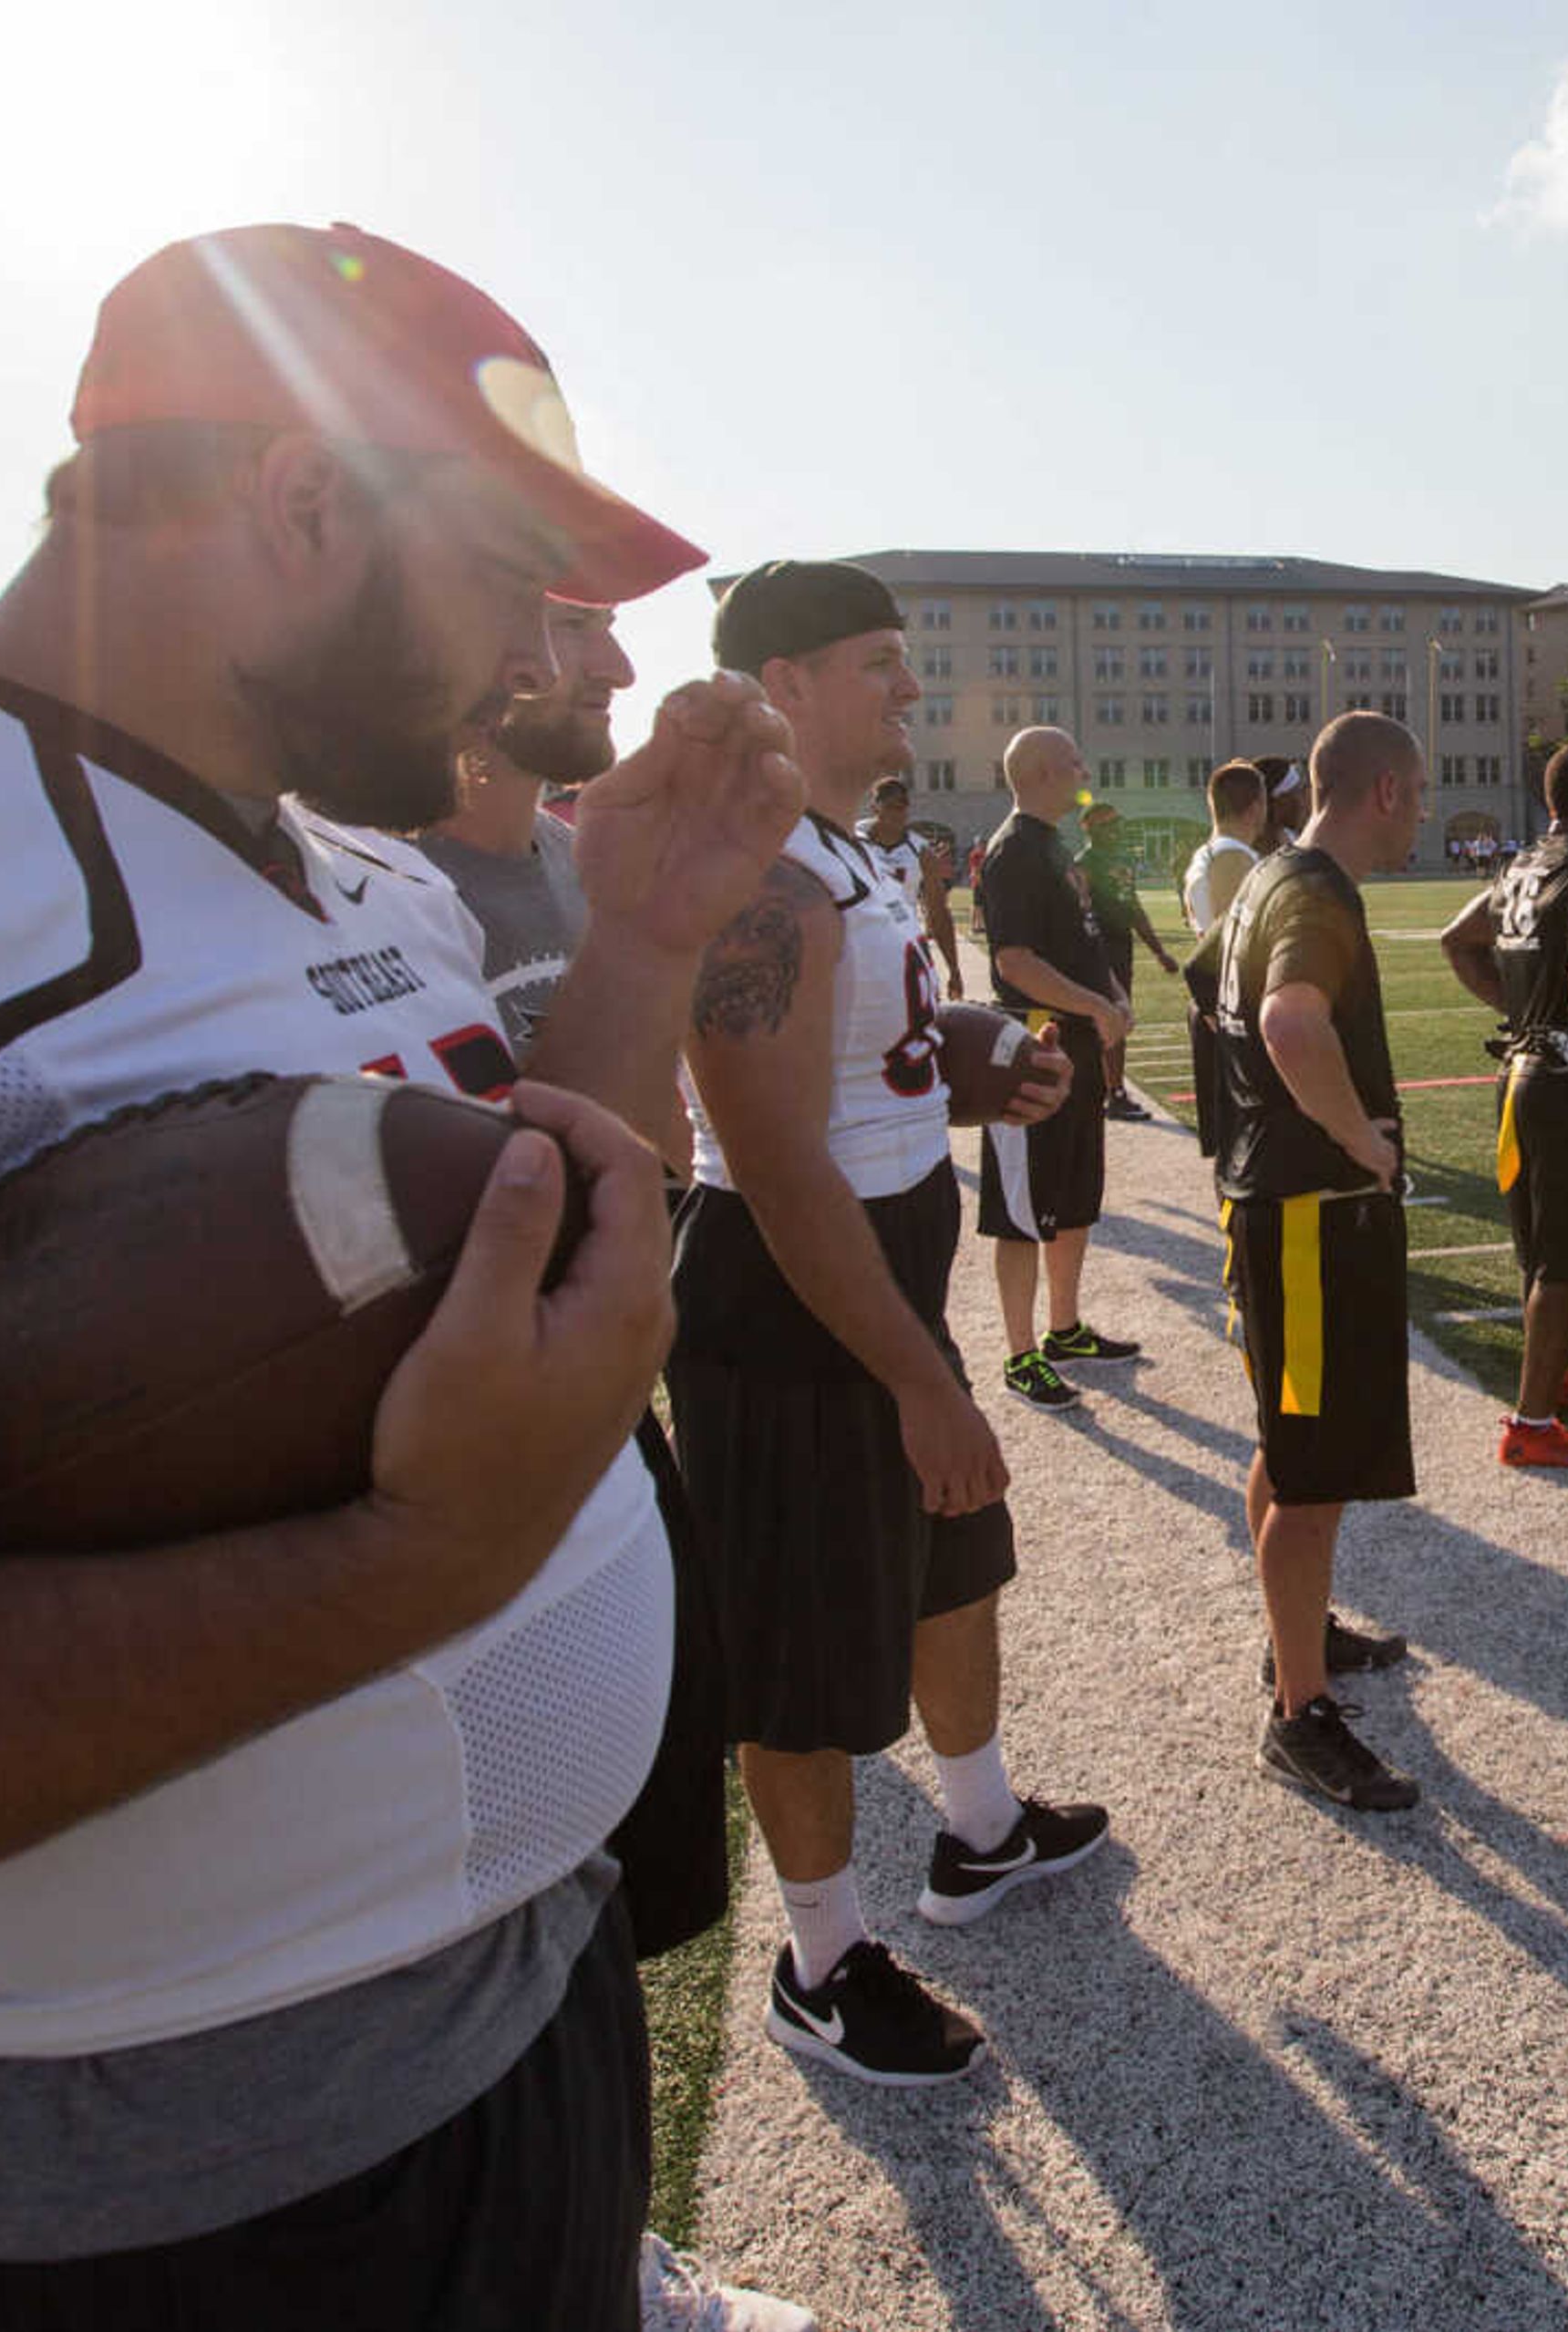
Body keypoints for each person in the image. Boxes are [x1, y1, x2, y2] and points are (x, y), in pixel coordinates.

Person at [0, 222, 801, 2331]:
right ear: (305, 501)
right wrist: (413, 1570)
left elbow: (520, 1233)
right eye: (506, 576)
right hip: (151, 2207)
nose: (529, 655)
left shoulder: (355, 858)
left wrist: (647, 942)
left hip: (501, 2017)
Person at [404, 609, 810, 2332]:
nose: (620, 671)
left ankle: (602, 2244)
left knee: (590, 1899)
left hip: (586, 1436)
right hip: (433, 1487)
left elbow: (627, 1154)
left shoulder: (579, 869)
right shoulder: (364, 880)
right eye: (562, 621)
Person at [680, 560, 1105, 2092]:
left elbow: (879, 1062)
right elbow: (777, 1160)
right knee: (801, 1643)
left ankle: (979, 1829)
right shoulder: (757, 874)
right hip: (792, 1293)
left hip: (881, 1255)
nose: (911, 690)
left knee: (952, 1551)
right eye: (879, 663)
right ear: (784, 684)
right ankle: (819, 1957)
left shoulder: (853, 857)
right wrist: (925, 1377)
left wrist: (988, 1061)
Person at [1195, 711, 1430, 1810]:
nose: (1421, 814)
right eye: (1417, 794)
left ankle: (1298, 1642)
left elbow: (1209, 993)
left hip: (1274, 1201)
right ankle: (1297, 1713)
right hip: (1311, 1215)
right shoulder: (1314, 891)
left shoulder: (1260, 878)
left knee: (1288, 1444)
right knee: (1313, 1471)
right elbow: (1290, 1022)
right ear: (1384, 791)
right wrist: (1358, 1137)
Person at [1438, 739, 1568, 1470]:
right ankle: (1531, 1422)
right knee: (1566, 1254)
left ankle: (1548, 1376)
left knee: (1541, 1239)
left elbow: (1457, 942)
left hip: (1519, 1072)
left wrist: (1523, 1014)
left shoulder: (1518, 865)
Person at [974, 727, 1141, 1408]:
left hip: (1073, 1041)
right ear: (1042, 771)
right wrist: (1093, 1005)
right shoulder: (1014, 850)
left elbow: (1083, 937)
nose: (1084, 767)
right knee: (1020, 1208)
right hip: (1029, 1050)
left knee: (1074, 1192)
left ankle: (1063, 1328)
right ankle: (1019, 1355)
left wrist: (1112, 996)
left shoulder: (1054, 844)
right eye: (1073, 759)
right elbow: (1014, 961)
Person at [1181, 759, 1275, 1162]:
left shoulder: (1206, 855)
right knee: (1241, 1147)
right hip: (1228, 1006)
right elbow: (1227, 947)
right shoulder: (1232, 861)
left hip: (1218, 1004)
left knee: (1233, 1145)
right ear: (1256, 807)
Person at [1078, 799, 1183, 1120]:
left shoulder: (1123, 859)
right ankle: (1109, 1091)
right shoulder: (1084, 863)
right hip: (1097, 947)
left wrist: (1158, 950)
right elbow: (1079, 909)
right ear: (1090, 828)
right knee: (1103, 1019)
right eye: (1108, 824)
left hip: (1120, 945)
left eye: (1117, 823)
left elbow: (1133, 907)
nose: (1116, 830)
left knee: (1119, 1019)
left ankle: (1114, 1090)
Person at [855, 772, 965, 997]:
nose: (900, 813)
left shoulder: (921, 853)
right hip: (861, 944)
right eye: (892, 806)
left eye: (904, 806)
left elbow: (938, 912)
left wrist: (954, 969)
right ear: (875, 807)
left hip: (903, 941)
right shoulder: (854, 840)